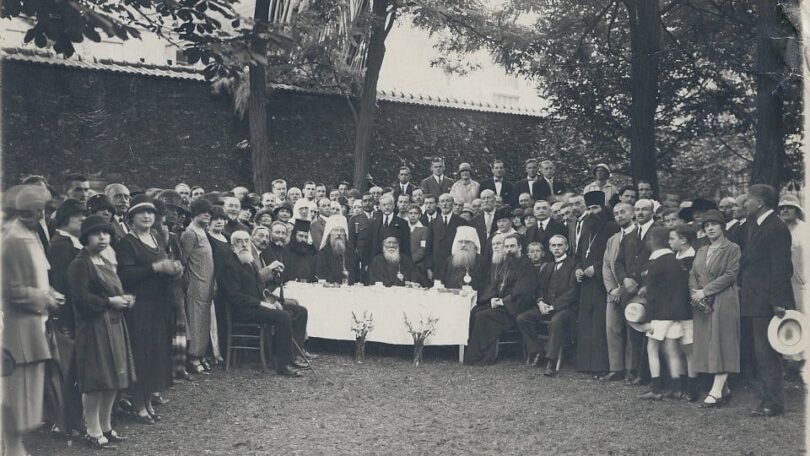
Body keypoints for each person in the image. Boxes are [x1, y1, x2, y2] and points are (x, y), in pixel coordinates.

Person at [2, 185, 62, 456]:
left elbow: (36, 277)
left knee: (24, 400)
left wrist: (48, 292)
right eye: (35, 211)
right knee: (15, 398)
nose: (40, 216)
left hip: (33, 324)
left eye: (42, 210)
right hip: (18, 329)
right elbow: (12, 290)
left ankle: (16, 448)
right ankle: (13, 450)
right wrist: (43, 297)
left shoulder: (30, 234)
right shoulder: (13, 239)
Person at [67, 215, 136, 449]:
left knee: (113, 380)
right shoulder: (80, 264)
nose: (103, 237)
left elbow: (114, 290)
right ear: (86, 237)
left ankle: (106, 426)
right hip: (93, 328)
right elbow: (81, 299)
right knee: (96, 381)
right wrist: (110, 302)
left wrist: (125, 299)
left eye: (106, 233)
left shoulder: (104, 261)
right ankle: (92, 430)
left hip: (114, 325)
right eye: (97, 233)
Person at [115, 195, 182, 424]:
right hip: (140, 307)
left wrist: (174, 269)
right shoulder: (127, 243)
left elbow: (163, 266)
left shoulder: (155, 238)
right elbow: (124, 275)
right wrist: (155, 267)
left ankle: (148, 400)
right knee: (141, 355)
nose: (146, 216)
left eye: (150, 212)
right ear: (131, 218)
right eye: (141, 212)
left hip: (159, 305)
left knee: (156, 354)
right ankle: (138, 405)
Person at [739, 185, 794, 417]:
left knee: (768, 353)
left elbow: (782, 268)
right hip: (754, 299)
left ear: (760, 202)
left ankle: (773, 402)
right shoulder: (755, 224)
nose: (745, 203)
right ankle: (767, 397)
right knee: (760, 352)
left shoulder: (776, 227)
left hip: (768, 301)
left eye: (748, 200)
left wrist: (778, 301)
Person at [217, 231, 303, 377]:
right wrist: (262, 304)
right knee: (283, 317)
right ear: (232, 247)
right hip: (242, 310)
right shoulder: (229, 265)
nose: (244, 244)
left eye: (246, 240)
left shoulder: (249, 261)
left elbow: (260, 287)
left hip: (256, 306)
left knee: (300, 311)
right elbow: (235, 297)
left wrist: (272, 301)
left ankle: (292, 356)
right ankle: (282, 365)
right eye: (239, 241)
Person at [689, 209, 741, 408]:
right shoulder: (702, 250)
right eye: (706, 225)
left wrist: (705, 292)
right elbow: (693, 274)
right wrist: (696, 295)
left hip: (724, 300)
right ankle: (724, 389)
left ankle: (716, 391)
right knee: (709, 344)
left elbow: (730, 275)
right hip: (702, 303)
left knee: (723, 343)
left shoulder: (732, 248)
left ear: (722, 226)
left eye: (713, 224)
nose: (710, 228)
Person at [637, 226, 692, 401]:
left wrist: (647, 319)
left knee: (652, 348)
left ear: (652, 242)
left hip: (660, 314)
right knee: (672, 350)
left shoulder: (655, 264)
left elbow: (653, 295)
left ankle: (656, 387)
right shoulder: (676, 261)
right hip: (678, 313)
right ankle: (677, 388)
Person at [465, 235, 536, 365]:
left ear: (520, 247)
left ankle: (481, 357)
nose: (509, 249)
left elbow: (523, 290)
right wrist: (493, 298)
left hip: (516, 307)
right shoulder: (507, 263)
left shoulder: (527, 265)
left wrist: (502, 302)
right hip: (503, 304)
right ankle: (476, 353)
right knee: (475, 311)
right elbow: (498, 285)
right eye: (507, 246)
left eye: (512, 246)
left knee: (483, 316)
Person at [516, 234, 578, 376]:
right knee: (523, 318)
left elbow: (573, 291)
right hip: (546, 306)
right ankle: (537, 350)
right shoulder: (548, 266)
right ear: (549, 248)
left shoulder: (573, 264)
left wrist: (554, 307)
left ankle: (551, 361)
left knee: (556, 321)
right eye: (553, 246)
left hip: (566, 309)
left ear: (566, 247)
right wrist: (540, 302)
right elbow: (540, 288)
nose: (556, 248)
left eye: (560, 245)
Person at [614, 198, 659, 385]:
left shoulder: (659, 232)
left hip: (649, 290)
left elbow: (660, 260)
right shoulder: (629, 235)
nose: (640, 213)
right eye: (637, 210)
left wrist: (646, 284)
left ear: (652, 212)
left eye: (645, 210)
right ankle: (633, 370)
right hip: (629, 289)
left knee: (650, 332)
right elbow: (619, 261)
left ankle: (646, 374)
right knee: (633, 332)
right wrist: (625, 278)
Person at [574, 191, 619, 375]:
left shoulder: (611, 228)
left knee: (600, 324)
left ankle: (601, 365)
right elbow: (578, 255)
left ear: (603, 208)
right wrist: (577, 268)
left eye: (595, 208)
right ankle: (586, 364)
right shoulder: (586, 228)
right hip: (586, 284)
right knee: (586, 323)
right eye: (589, 208)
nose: (592, 212)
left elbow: (614, 257)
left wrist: (596, 267)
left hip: (602, 284)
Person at [599, 203, 635, 381]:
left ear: (632, 213)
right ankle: (616, 367)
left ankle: (630, 369)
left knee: (631, 329)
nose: (620, 216)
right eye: (616, 213)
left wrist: (623, 289)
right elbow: (606, 265)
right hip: (612, 292)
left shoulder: (639, 236)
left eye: (623, 212)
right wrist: (612, 288)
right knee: (612, 328)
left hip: (632, 290)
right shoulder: (612, 239)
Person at [180, 198, 216, 374]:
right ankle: (193, 356)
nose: (207, 215)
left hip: (207, 283)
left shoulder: (203, 231)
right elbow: (183, 261)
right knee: (195, 319)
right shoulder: (190, 233)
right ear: (194, 213)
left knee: (204, 320)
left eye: (209, 212)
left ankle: (201, 353)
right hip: (195, 283)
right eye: (203, 211)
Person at [426, 193, 466, 282]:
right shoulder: (433, 223)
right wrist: (429, 268)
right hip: (437, 267)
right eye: (442, 201)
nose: (445, 204)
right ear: (438, 205)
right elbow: (428, 247)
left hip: (455, 265)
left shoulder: (462, 222)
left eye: (448, 201)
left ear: (453, 204)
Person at [316, 215, 360, 284]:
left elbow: (357, 276)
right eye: (336, 230)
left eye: (342, 231)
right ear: (330, 233)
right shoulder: (323, 254)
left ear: (345, 234)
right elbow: (322, 276)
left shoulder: (352, 252)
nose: (339, 233)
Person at [440, 226, 487, 291]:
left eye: (467, 242)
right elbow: (443, 281)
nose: (463, 245)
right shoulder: (450, 260)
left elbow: (485, 283)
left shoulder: (481, 260)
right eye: (461, 242)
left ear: (474, 245)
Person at [369, 193, 410, 264]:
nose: (387, 207)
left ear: (393, 205)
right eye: (384, 205)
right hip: (378, 263)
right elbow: (371, 244)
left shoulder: (402, 223)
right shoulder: (374, 222)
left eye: (389, 204)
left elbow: (406, 246)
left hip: (396, 262)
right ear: (380, 207)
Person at [406, 205, 429, 277]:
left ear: (419, 215)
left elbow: (423, 248)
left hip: (418, 264)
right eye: (410, 213)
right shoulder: (404, 226)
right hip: (404, 263)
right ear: (407, 214)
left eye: (415, 213)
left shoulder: (424, 229)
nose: (413, 215)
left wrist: (411, 260)